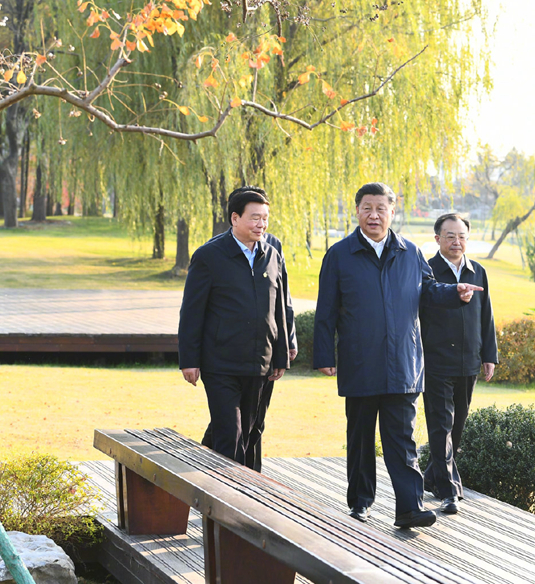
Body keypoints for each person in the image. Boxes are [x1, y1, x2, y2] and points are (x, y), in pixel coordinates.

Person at [313, 182, 482, 529]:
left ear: (392, 211)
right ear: (357, 211)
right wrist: (324, 354)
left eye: (381, 208)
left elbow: (429, 290)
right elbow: (325, 310)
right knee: (361, 439)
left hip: (404, 364)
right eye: (367, 208)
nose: (374, 215)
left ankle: (409, 508)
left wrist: (455, 292)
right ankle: (361, 503)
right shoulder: (340, 255)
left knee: (403, 441)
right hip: (360, 363)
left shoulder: (410, 252)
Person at [178, 186, 291, 470]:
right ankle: (227, 495)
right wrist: (189, 360)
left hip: (260, 364)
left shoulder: (272, 256)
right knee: (230, 434)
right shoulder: (209, 256)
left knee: (252, 433)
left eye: (265, 218)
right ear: (235, 218)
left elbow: (279, 310)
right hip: (220, 364)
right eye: (254, 218)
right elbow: (191, 312)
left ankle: (246, 488)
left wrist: (281, 357)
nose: (261, 224)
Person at [419, 213, 498, 514]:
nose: (456, 241)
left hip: (468, 361)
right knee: (441, 426)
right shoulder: (426, 270)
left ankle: (430, 477)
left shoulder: (478, 271)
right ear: (437, 238)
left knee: (457, 428)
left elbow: (486, 316)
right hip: (435, 362)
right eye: (450, 236)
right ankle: (449, 491)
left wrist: (489, 355)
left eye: (462, 236)